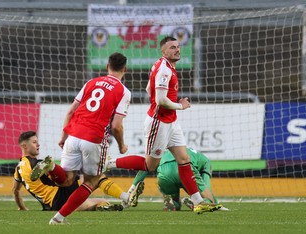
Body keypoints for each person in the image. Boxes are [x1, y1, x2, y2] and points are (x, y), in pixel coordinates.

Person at [106, 36, 219, 214]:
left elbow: (149, 89)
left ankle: (199, 201)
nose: (177, 50)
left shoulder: (163, 65)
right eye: (172, 47)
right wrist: (180, 106)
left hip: (171, 121)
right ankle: (110, 163)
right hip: (159, 123)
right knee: (150, 165)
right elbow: (160, 100)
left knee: (184, 159)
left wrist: (173, 110)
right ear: (164, 51)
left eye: (178, 47)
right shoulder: (165, 70)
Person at [30, 52, 140, 224]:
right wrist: (121, 146)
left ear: (106, 67)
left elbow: (71, 111)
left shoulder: (91, 82)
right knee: (92, 181)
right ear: (125, 69)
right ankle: (58, 219)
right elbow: (116, 126)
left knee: (67, 180)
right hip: (93, 138)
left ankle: (51, 166)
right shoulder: (124, 91)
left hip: (73, 134)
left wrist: (63, 136)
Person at [12, 131, 126, 212]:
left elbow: (15, 190)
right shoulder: (37, 164)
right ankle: (126, 197)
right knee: (98, 178)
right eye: (34, 142)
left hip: (52, 205)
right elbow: (61, 179)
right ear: (24, 146)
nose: (38, 144)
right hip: (61, 193)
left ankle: (99, 206)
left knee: (97, 202)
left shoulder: (18, 169)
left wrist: (22, 207)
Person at [128, 147, 226, 212]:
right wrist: (216, 204)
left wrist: (131, 189)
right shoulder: (206, 162)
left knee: (176, 205)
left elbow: (145, 168)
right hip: (187, 170)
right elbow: (206, 187)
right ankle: (195, 202)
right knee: (207, 199)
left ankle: (170, 201)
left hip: (165, 173)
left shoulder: (163, 151)